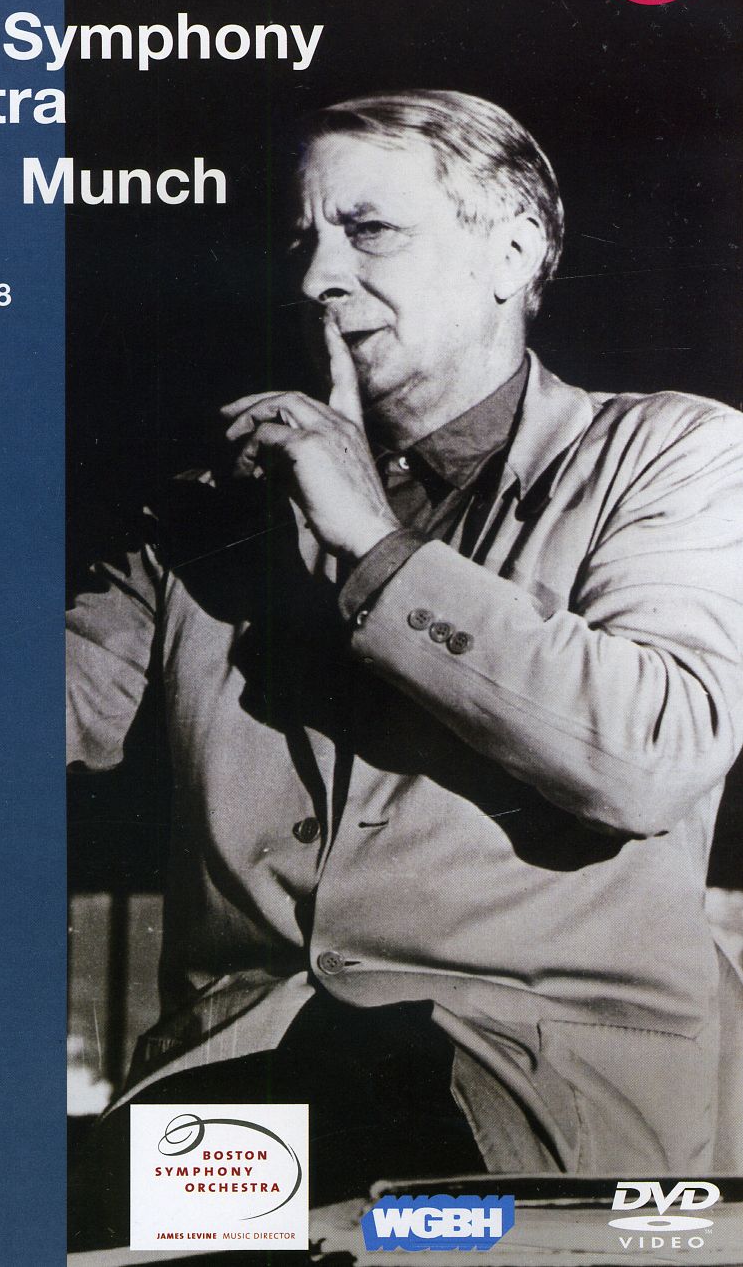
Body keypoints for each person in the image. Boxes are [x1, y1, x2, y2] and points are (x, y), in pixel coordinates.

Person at [66, 91, 743, 1240]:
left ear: (512, 251)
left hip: (524, 1087)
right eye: (299, 240)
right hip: (235, 1092)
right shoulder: (213, 514)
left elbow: (651, 754)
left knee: (313, 1193)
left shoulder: (673, 454)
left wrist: (375, 549)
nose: (314, 277)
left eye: (367, 231)